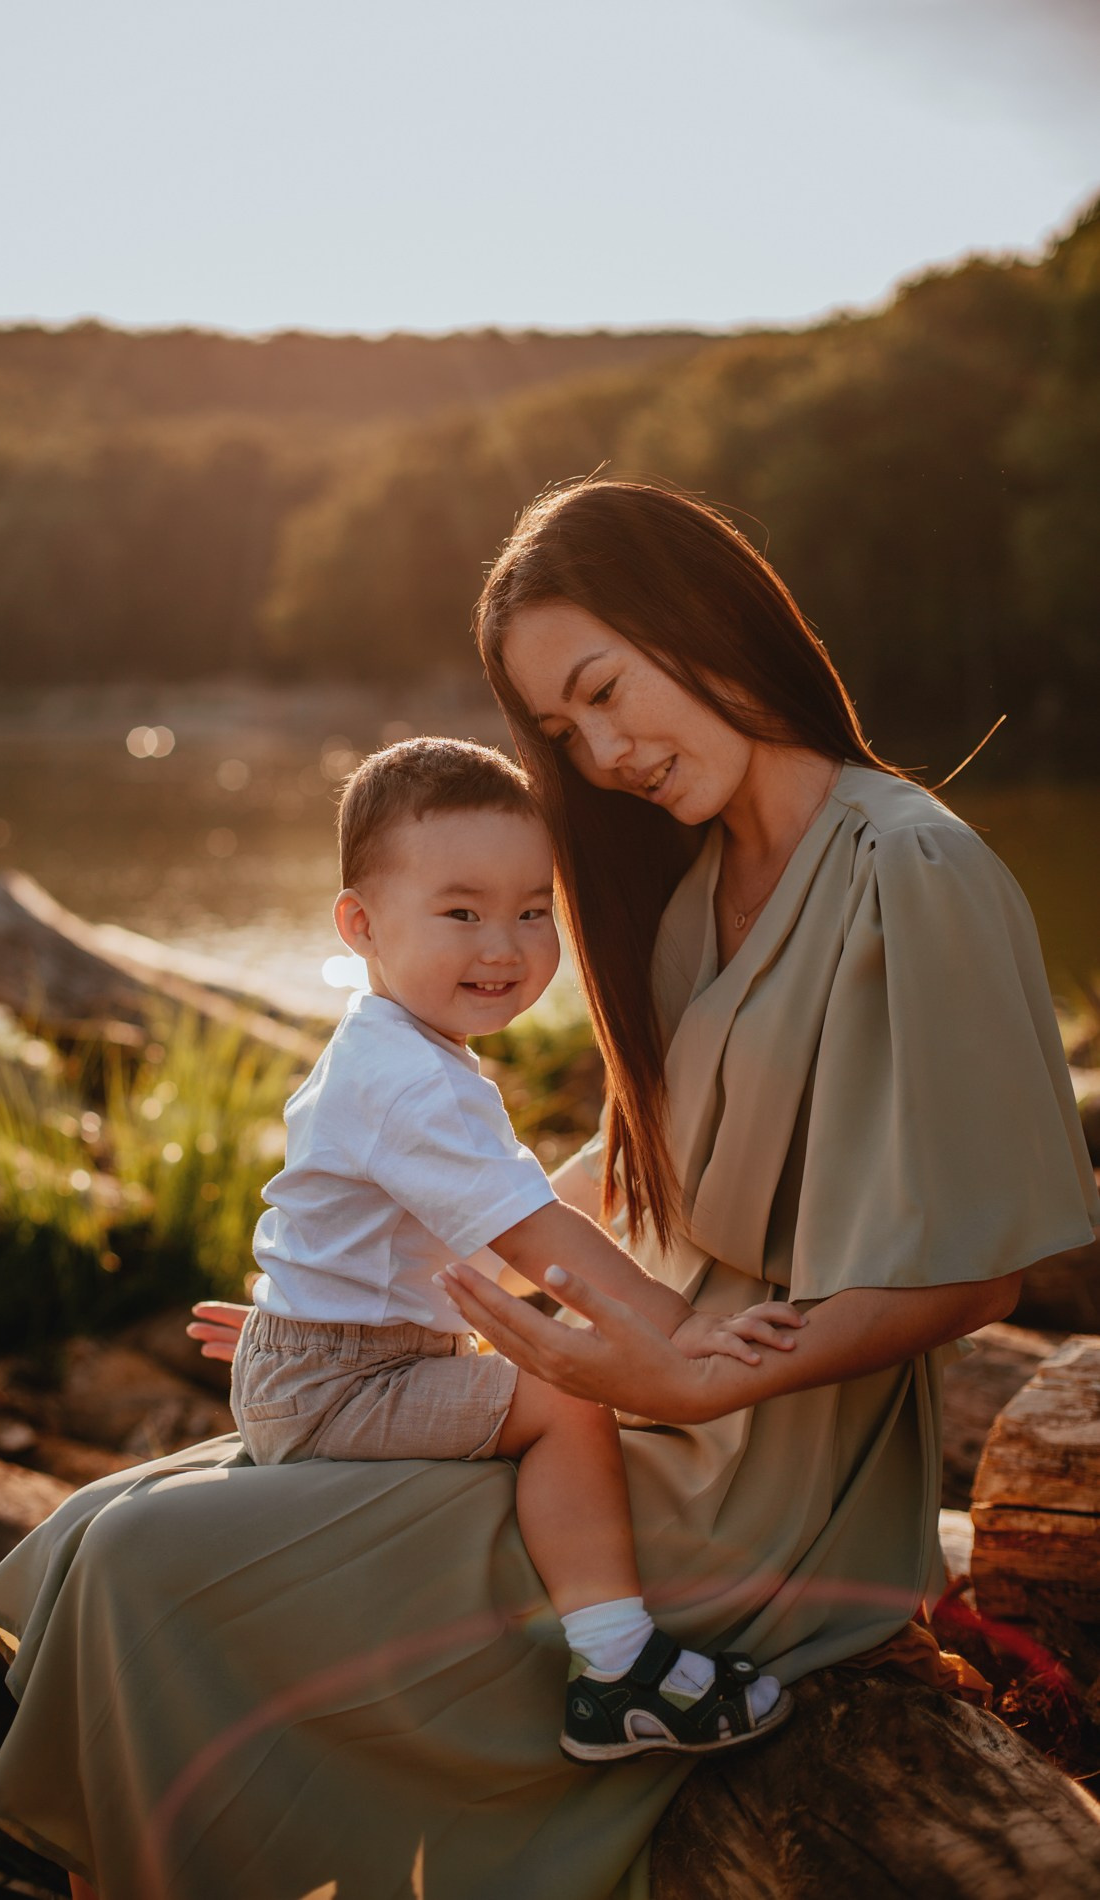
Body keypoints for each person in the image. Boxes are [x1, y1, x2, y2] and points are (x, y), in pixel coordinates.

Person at [0, 480, 1100, 1900]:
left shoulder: (910, 867)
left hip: (760, 1464)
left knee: (155, 1566)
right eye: (563, 731)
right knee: (110, 1528)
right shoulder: (694, 885)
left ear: (702, 615)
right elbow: (631, 1172)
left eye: (605, 690)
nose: (604, 752)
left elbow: (976, 1277)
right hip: (630, 1385)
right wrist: (360, 1290)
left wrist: (696, 1384)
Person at [230, 734, 797, 1762]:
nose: (505, 946)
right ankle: (615, 1666)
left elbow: (368, 1234)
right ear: (359, 923)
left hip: (330, 1352)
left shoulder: (392, 1046)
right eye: (461, 912)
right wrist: (681, 1329)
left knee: (537, 1355)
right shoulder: (410, 1079)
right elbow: (537, 1239)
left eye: (532, 910)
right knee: (567, 1397)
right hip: (342, 1377)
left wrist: (285, 1323)